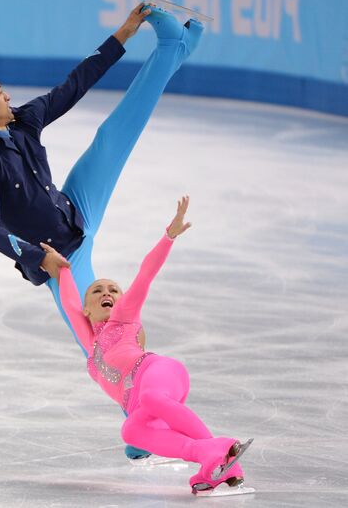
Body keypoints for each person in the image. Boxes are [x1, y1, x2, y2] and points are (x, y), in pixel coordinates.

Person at [0, 3, 204, 459]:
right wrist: (36, 258)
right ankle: (137, 419)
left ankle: (171, 48)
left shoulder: (23, 123)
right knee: (102, 347)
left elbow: (74, 86)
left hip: (77, 207)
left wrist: (123, 35)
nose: (11, 98)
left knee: (115, 134)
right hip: (64, 259)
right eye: (2, 93)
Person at [41, 196, 252, 493]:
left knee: (152, 397)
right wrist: (62, 271)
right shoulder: (91, 344)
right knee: (132, 430)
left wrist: (168, 237)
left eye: (114, 289)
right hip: (139, 401)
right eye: (98, 290)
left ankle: (220, 450)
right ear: (87, 309)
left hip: (159, 372)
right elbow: (69, 301)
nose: (108, 292)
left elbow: (145, 274)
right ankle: (209, 458)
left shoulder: (123, 318)